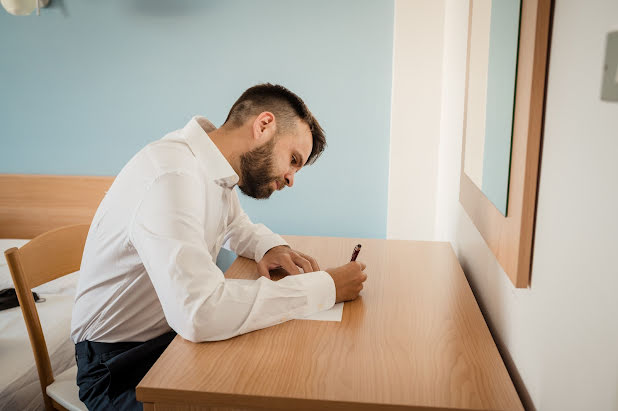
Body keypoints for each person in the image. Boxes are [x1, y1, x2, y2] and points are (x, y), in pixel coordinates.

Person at [70, 83, 368, 410]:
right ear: (264, 125)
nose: (291, 179)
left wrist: (270, 247)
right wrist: (325, 287)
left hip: (168, 341)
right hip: (120, 367)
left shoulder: (211, 165)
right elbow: (199, 312)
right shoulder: (172, 175)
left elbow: (233, 224)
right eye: (293, 159)